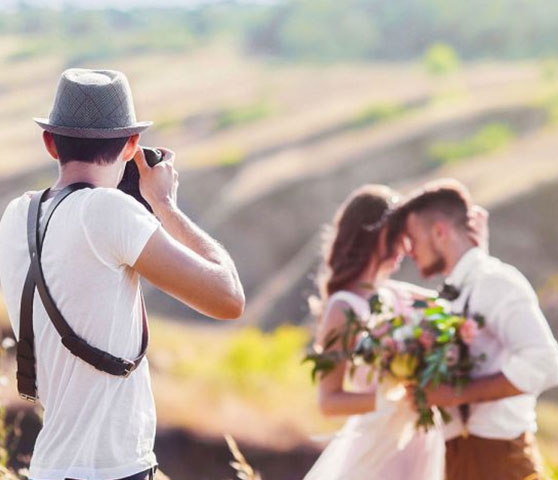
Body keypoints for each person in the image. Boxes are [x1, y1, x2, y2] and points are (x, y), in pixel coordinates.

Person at [0, 69, 245, 480]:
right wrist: (164, 205)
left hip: (49, 466)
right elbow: (228, 298)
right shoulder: (110, 213)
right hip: (111, 470)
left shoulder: (16, 215)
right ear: (132, 145)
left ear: (49, 142)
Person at [303, 184, 487, 480]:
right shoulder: (343, 307)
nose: (406, 247)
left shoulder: (396, 294)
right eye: (399, 235)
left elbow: (458, 303)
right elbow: (328, 401)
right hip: (376, 450)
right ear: (375, 233)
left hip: (419, 442)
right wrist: (394, 398)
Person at [395, 178, 558, 480]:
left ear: (439, 232)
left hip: (499, 462)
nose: (409, 250)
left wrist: (454, 394)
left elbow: (547, 365)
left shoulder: (496, 282)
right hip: (458, 460)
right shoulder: (452, 295)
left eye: (412, 238)